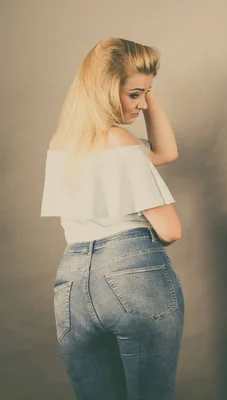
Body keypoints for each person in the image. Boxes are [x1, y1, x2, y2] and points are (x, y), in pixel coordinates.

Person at [41, 38, 184, 400]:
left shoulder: (61, 145)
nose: (142, 104)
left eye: (147, 94)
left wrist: (144, 92)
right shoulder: (120, 143)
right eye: (135, 94)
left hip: (71, 283)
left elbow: (164, 153)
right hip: (133, 273)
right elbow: (171, 231)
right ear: (106, 89)